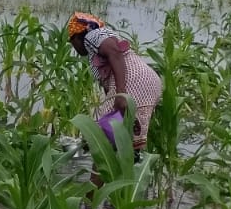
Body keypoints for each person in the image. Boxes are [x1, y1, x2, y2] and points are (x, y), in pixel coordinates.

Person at [66, 12, 163, 161]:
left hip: (134, 81)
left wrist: (121, 94)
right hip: (148, 82)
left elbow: (115, 53)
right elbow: (107, 82)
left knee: (101, 143)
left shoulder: (92, 35)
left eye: (71, 41)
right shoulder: (95, 47)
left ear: (77, 36)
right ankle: (127, 179)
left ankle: (95, 183)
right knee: (126, 141)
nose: (75, 48)